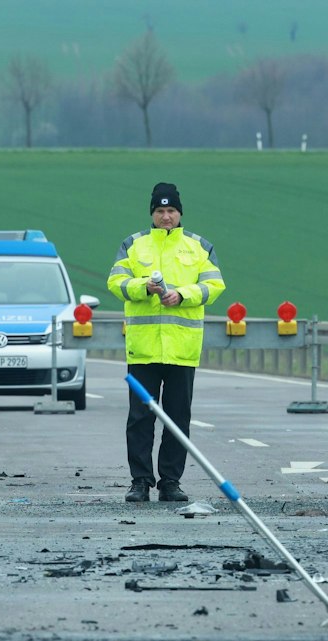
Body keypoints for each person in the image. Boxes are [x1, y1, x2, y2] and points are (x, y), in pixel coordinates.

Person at [107, 182, 225, 504]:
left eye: (171, 210)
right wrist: (145, 287)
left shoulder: (199, 247)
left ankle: (170, 481)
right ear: (152, 214)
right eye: (160, 211)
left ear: (180, 213)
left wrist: (182, 295)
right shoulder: (134, 245)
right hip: (143, 348)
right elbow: (116, 282)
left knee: (177, 418)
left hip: (181, 349)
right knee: (140, 418)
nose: (166, 216)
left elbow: (214, 285)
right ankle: (140, 482)